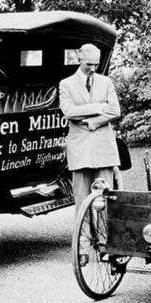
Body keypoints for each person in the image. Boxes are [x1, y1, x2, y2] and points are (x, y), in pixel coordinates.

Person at [59, 43, 121, 213]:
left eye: (96, 64)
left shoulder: (106, 82)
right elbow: (69, 112)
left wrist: (90, 122)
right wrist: (98, 107)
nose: (93, 68)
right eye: (89, 64)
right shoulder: (66, 84)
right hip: (80, 148)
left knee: (104, 197)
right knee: (81, 198)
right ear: (79, 60)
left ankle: (102, 239)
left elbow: (115, 111)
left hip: (104, 147)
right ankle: (84, 240)